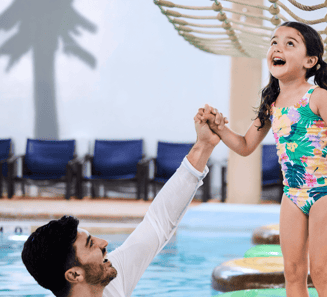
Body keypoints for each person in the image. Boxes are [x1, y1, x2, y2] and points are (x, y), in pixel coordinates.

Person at [198, 21, 327, 297]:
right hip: (292, 194)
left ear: (310, 60)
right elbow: (246, 145)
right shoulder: (271, 104)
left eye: (289, 43)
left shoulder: (317, 96)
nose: (277, 48)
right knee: (293, 273)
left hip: (325, 190)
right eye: (274, 42)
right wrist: (219, 127)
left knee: (320, 271)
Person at [21, 116, 223, 297]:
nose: (104, 243)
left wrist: (203, 146)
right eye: (91, 244)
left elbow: (159, 222)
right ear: (74, 274)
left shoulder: (108, 281)